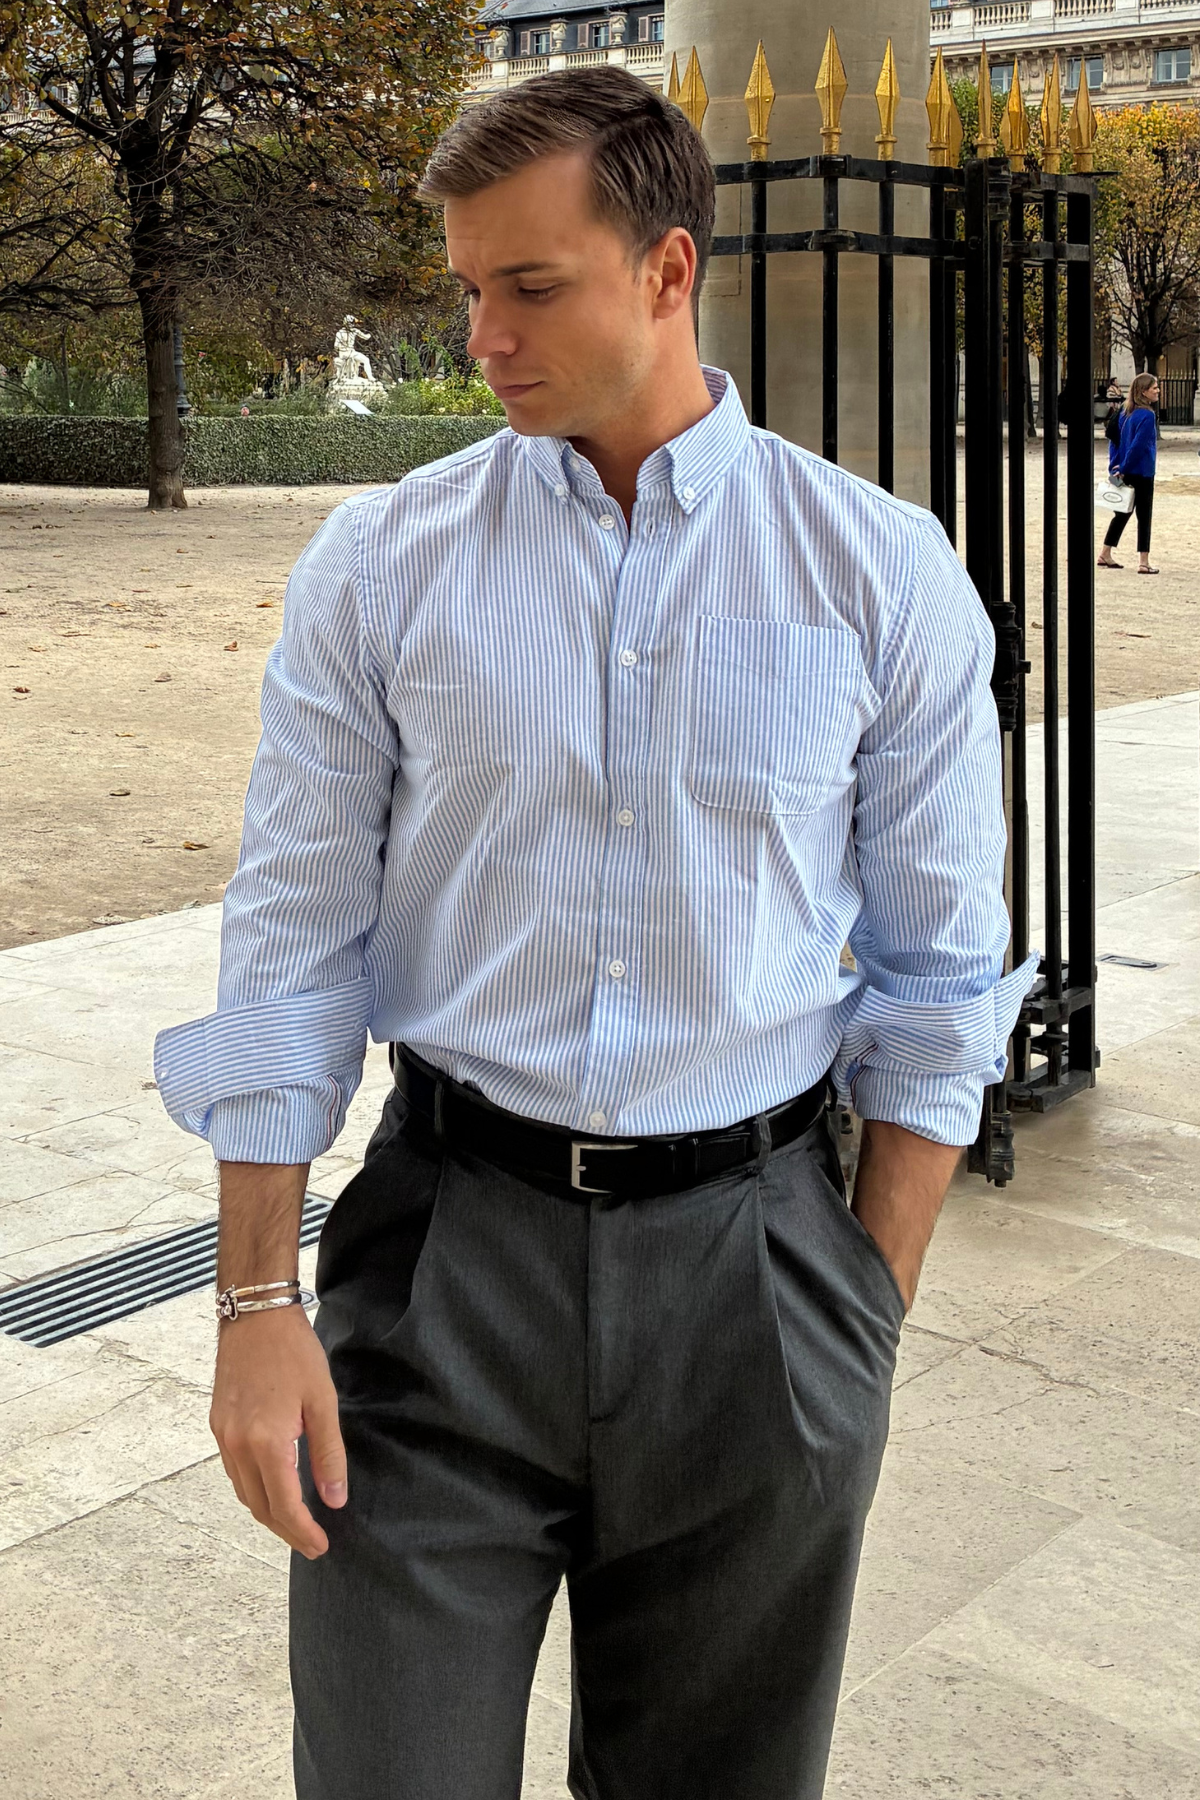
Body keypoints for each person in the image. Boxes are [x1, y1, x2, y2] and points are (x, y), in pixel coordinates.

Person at [154, 67, 1035, 1800]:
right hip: (443, 1264)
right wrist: (255, 1299)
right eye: (468, 287)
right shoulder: (384, 565)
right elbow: (293, 938)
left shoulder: (879, 571)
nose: (483, 335)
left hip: (757, 1274)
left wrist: (858, 1314)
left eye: (531, 286)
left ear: (667, 267)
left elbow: (940, 974)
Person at [1099, 371, 1159, 573]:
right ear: (1143, 391)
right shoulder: (1147, 415)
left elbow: (1114, 441)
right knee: (1144, 516)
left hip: (1125, 469)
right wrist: (1124, 467)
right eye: (1154, 388)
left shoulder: (1125, 413)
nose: (1158, 391)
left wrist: (1116, 466)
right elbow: (1138, 446)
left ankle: (1105, 552)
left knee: (1122, 513)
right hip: (1142, 471)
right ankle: (1143, 561)